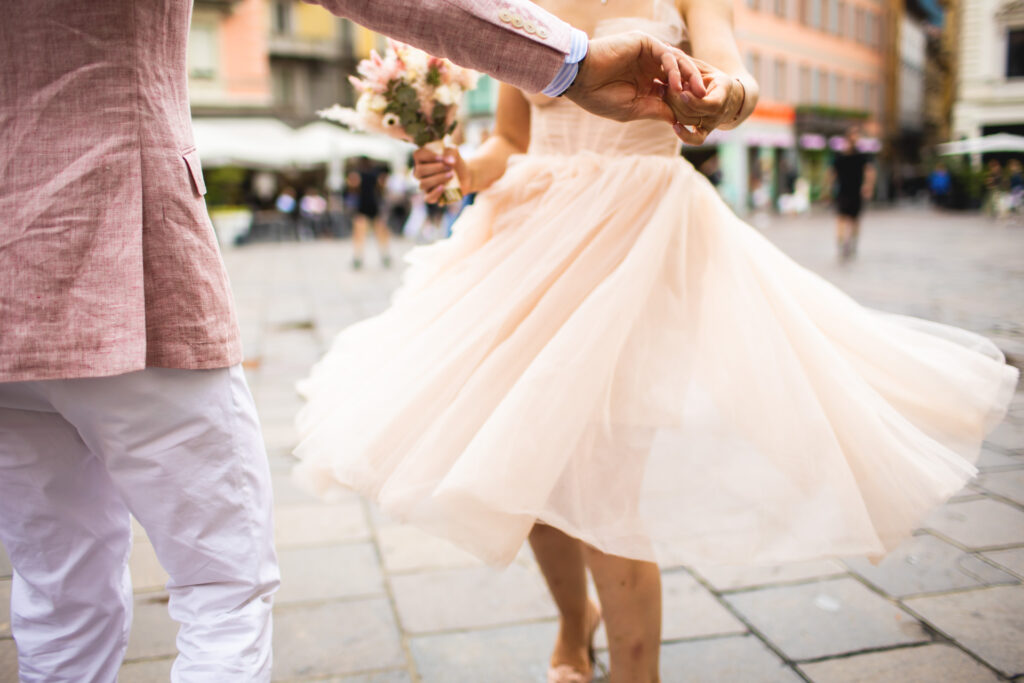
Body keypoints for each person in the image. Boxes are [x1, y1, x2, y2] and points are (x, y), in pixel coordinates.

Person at [294, 2, 1018, 683]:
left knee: (606, 474)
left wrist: (720, 98)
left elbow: (736, 79)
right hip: (530, 239)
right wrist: (461, 170)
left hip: (638, 237)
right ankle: (574, 623)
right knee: (529, 465)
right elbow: (510, 141)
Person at [0, 1, 715, 680]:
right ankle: (578, 623)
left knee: (57, 584)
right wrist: (575, 63)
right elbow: (506, 127)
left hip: (12, 292)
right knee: (221, 587)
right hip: (126, 253)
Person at [831, 126, 876, 260]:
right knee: (841, 218)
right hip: (843, 191)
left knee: (855, 220)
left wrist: (868, 186)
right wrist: (829, 188)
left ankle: (853, 244)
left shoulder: (862, 156)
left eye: (857, 136)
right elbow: (832, 172)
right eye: (853, 135)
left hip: (856, 191)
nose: (855, 138)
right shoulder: (840, 155)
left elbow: (870, 171)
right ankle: (840, 244)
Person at [351, 157, 391, 269]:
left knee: (361, 234)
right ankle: (384, 255)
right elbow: (382, 186)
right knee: (378, 233)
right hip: (373, 205)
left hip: (364, 206)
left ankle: (358, 257)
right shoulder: (376, 173)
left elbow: (353, 187)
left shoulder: (357, 174)